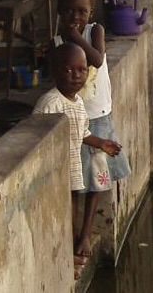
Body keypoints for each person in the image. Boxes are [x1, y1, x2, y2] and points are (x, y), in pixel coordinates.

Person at [52, 0, 131, 261]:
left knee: (97, 177)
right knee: (77, 179)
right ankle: (74, 232)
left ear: (91, 12)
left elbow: (96, 59)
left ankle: (85, 232)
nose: (76, 17)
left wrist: (76, 37)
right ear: (60, 12)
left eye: (82, 11)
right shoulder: (57, 40)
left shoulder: (93, 30)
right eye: (70, 11)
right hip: (74, 117)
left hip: (97, 115)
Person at [32, 42, 122, 274]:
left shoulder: (78, 102)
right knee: (67, 212)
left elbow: (83, 133)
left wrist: (102, 143)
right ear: (54, 72)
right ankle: (72, 255)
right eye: (68, 70)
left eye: (82, 70)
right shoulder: (51, 103)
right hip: (57, 172)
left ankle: (75, 253)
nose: (76, 76)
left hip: (72, 170)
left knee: (73, 206)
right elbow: (36, 137)